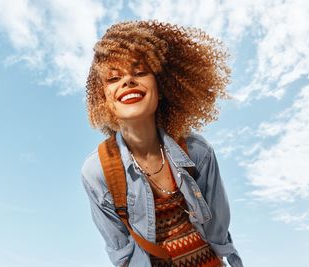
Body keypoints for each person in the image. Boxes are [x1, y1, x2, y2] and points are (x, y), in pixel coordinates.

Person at [81, 20, 244, 267]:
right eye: (114, 77)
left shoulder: (198, 151)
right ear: (103, 97)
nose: (127, 81)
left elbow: (217, 235)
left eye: (140, 72)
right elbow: (122, 255)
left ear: (161, 85)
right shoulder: (97, 172)